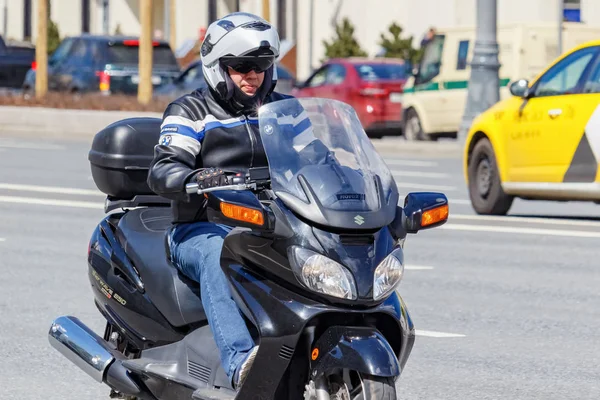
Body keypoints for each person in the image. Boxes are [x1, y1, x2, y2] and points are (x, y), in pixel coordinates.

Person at [146, 12, 292, 390]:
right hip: (200, 229)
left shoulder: (285, 112)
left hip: (270, 225)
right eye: (241, 66)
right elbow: (163, 171)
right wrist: (195, 178)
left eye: (260, 66)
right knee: (219, 252)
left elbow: (318, 159)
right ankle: (242, 363)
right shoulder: (190, 113)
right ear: (216, 68)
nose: (253, 75)